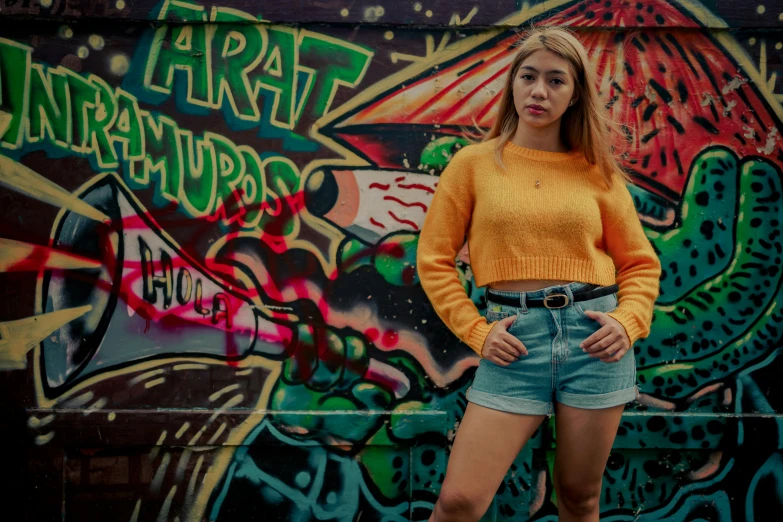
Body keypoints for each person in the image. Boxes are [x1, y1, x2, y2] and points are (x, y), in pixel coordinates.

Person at [416, 27, 662, 522]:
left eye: (556, 81)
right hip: (513, 344)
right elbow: (433, 259)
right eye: (528, 77)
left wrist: (629, 321)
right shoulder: (473, 166)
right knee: (459, 501)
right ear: (512, 84)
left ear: (574, 96)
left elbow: (639, 263)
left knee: (578, 498)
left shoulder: (597, 172)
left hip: (595, 341)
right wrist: (477, 331)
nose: (539, 91)